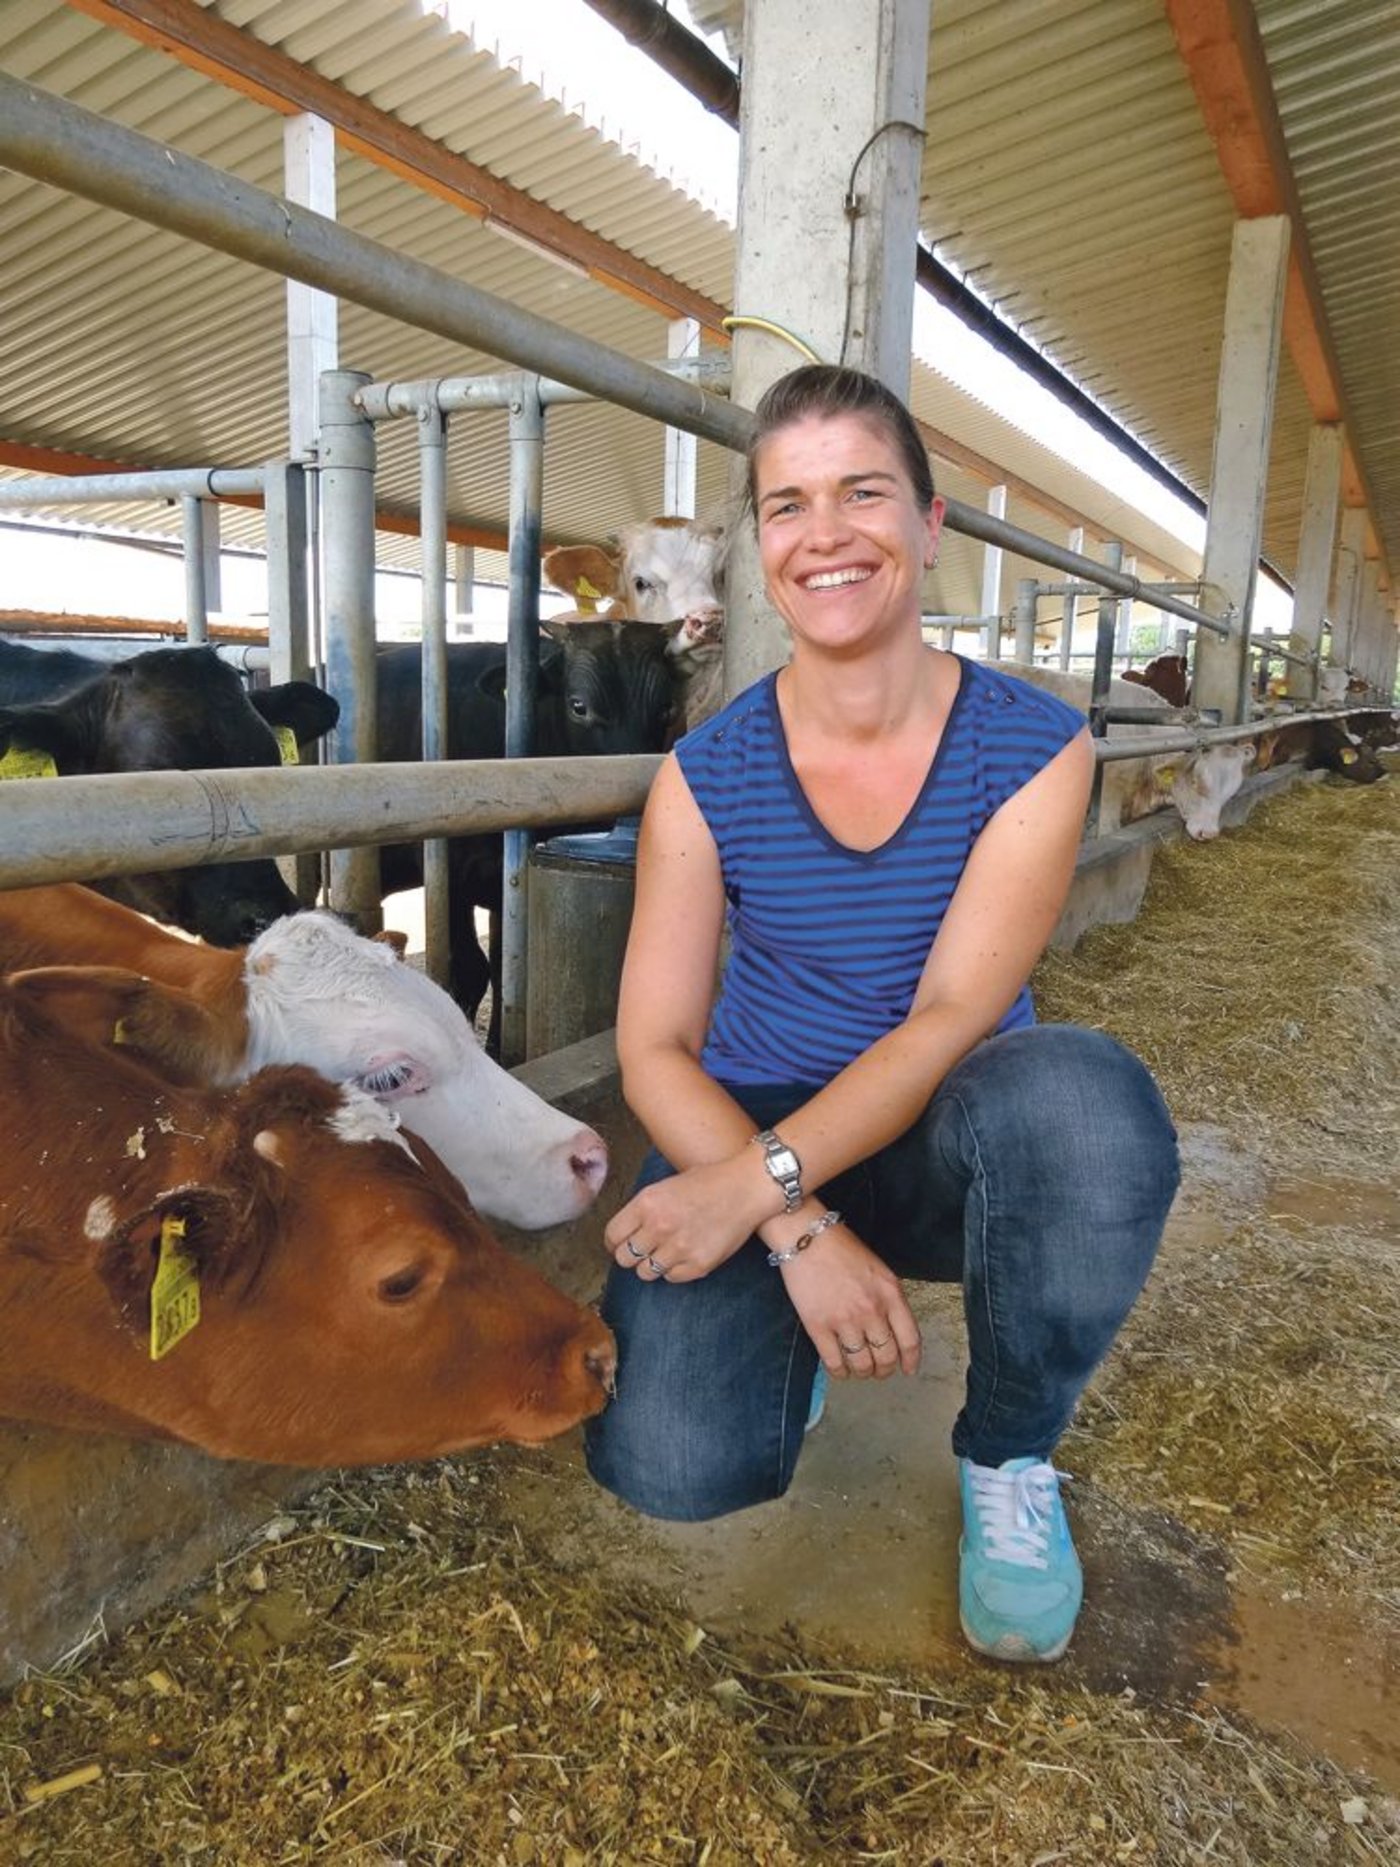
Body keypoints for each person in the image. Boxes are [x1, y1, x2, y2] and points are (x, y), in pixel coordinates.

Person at [583, 364, 1179, 1663]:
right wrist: (789, 1227)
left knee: (1087, 1110)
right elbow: (653, 1048)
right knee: (674, 1465)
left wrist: (768, 1188)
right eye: (789, 505)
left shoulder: (1032, 747)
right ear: (760, 549)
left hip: (947, 1144)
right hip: (747, 1130)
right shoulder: (704, 775)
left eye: (865, 491)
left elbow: (954, 1014)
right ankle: (787, 1348)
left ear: (927, 524)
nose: (828, 532)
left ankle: (1010, 1456)